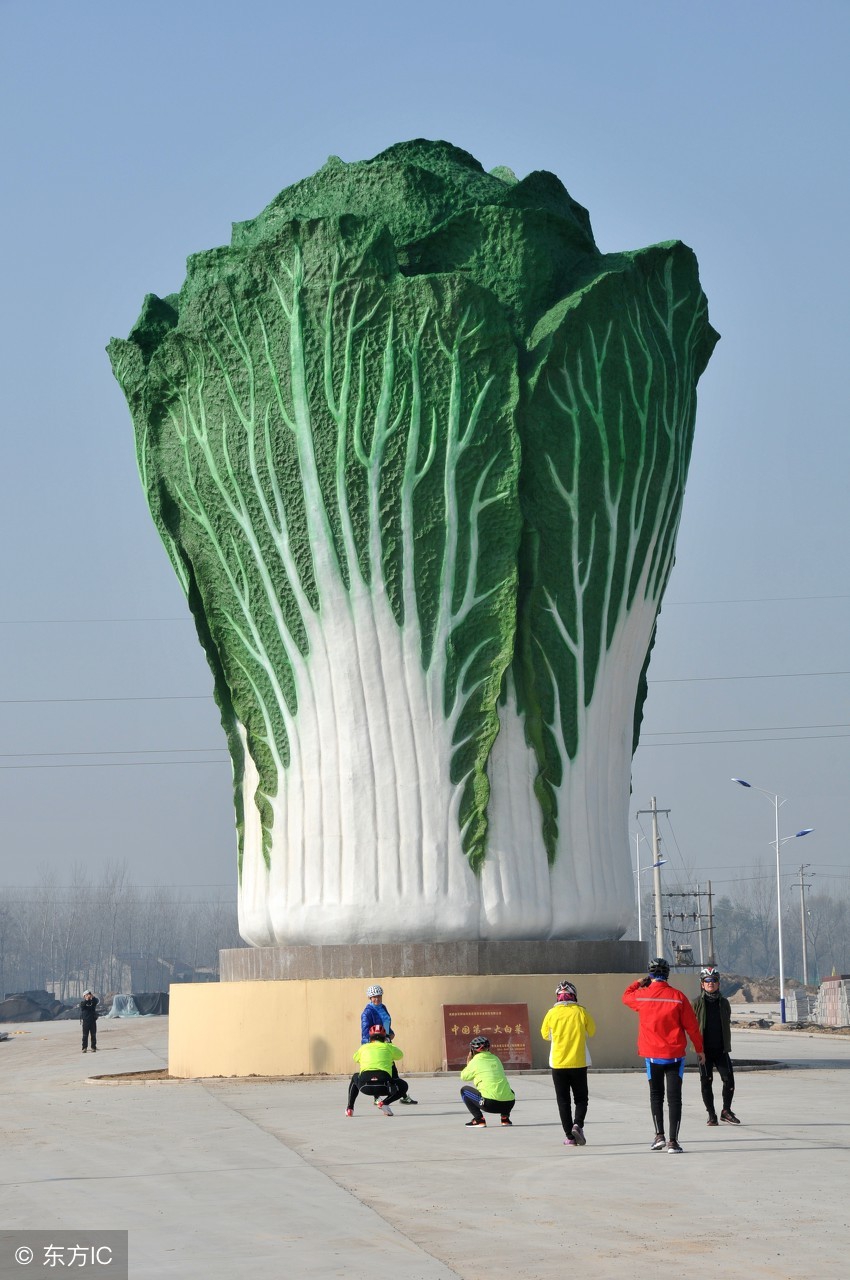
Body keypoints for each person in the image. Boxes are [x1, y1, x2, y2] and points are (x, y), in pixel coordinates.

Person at [622, 958, 705, 1154]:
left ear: (650, 976)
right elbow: (692, 1027)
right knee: (675, 1099)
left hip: (652, 1055)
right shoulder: (678, 997)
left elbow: (626, 996)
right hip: (675, 1056)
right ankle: (673, 1142)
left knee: (656, 1095)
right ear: (667, 974)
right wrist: (700, 1049)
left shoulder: (642, 996)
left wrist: (639, 982)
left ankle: (659, 1136)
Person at [540, 980, 596, 1146]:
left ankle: (569, 1137)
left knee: (563, 1100)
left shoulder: (551, 1013)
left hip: (558, 1063)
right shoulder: (581, 1012)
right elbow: (592, 1031)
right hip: (579, 1062)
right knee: (581, 1099)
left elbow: (544, 1035)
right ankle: (577, 1125)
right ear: (574, 996)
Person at [692, 965, 740, 1126]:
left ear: (718, 983)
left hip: (721, 1050)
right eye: (707, 980)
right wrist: (697, 1048)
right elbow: (691, 1025)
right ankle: (711, 1114)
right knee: (706, 1081)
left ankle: (726, 1111)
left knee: (729, 1081)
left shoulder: (724, 1003)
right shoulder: (696, 1003)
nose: (710, 983)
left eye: (714, 980)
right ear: (702, 984)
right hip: (703, 1051)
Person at [360, 984, 417, 1104]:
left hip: (385, 1042)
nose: (377, 999)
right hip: (374, 1045)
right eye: (374, 997)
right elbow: (365, 1033)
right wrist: (374, 1042)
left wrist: (390, 1033)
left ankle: (402, 1095)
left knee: (392, 1070)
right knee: (378, 1069)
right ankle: (380, 1097)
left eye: (379, 996)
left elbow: (386, 1024)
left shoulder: (383, 1007)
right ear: (369, 998)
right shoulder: (367, 1013)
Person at [345, 1024, 410, 1116]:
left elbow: (355, 1058)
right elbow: (400, 1055)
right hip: (384, 1087)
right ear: (384, 1037)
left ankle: (350, 1108)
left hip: (365, 1087)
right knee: (403, 1085)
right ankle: (385, 1103)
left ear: (370, 1037)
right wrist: (389, 1045)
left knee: (355, 1076)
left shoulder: (364, 1048)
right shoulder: (388, 1047)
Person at [459, 1035, 516, 1128]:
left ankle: (479, 1120)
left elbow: (464, 1077)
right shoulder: (496, 1059)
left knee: (464, 1091)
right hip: (509, 1103)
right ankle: (505, 1118)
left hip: (490, 1104)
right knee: (509, 1091)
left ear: (472, 1050)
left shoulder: (475, 1061)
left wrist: (469, 1062)